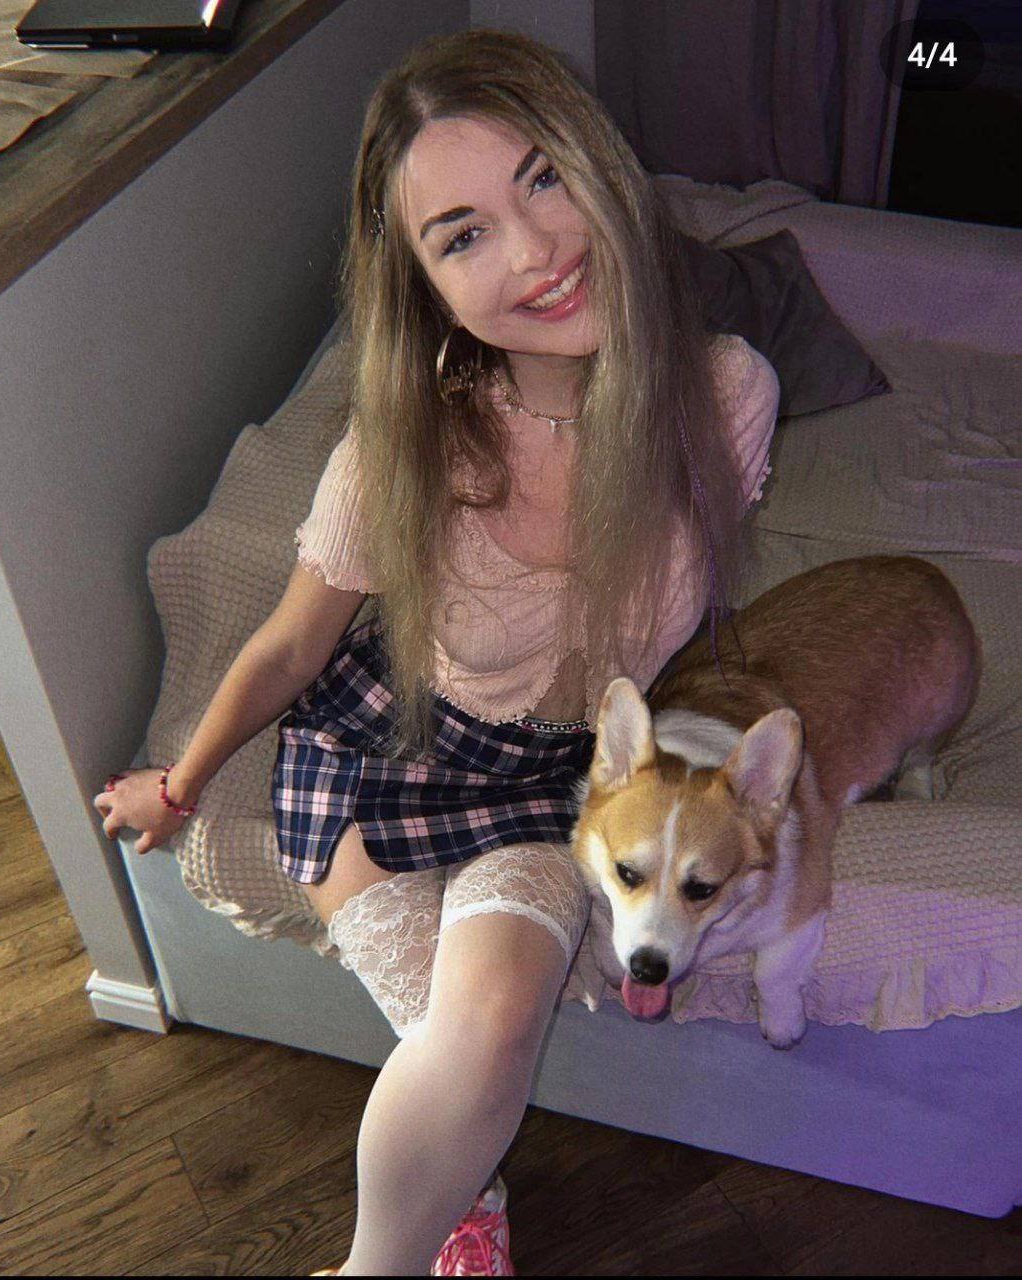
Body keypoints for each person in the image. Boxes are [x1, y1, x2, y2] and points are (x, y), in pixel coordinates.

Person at [93, 28, 778, 1277]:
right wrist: (178, 786)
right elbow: (292, 642)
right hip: (387, 752)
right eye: (463, 236)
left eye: (544, 178)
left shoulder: (728, 395)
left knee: (496, 1017)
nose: (536, 252)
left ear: (602, 168)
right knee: (460, 1049)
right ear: (426, 287)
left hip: (556, 771)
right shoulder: (399, 447)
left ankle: (431, 1226)